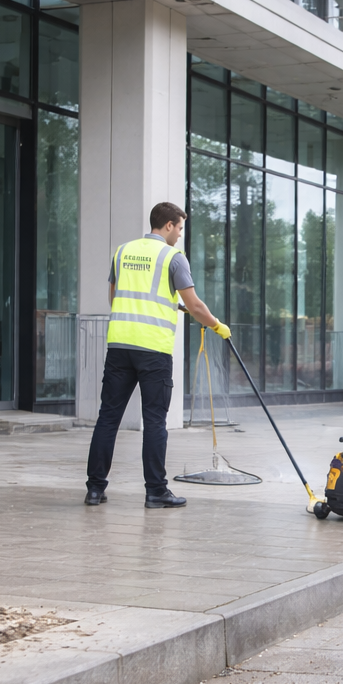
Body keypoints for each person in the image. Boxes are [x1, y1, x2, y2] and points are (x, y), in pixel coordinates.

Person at [86, 201, 227, 508]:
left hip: (120, 346)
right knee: (154, 422)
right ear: (167, 225)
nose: (179, 234)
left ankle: (95, 490)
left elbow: (115, 297)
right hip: (153, 351)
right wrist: (217, 326)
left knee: (108, 418)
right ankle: (156, 492)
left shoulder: (122, 252)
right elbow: (195, 306)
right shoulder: (173, 258)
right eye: (179, 228)